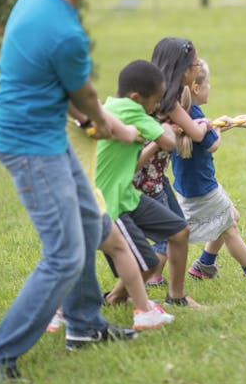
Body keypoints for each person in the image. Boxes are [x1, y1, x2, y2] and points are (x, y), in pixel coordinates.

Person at [0, 0, 135, 384]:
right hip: (29, 144)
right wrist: (111, 126)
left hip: (40, 133)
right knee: (65, 253)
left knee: (88, 224)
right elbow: (84, 96)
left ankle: (84, 326)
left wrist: (87, 118)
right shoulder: (67, 33)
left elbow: (57, 85)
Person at [96, 59, 202, 308]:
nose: (157, 106)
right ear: (136, 97)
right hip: (109, 202)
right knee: (148, 263)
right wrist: (164, 127)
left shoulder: (112, 105)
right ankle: (116, 300)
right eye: (155, 101)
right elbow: (168, 143)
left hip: (127, 194)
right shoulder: (131, 111)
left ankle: (176, 297)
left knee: (179, 231)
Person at [60, 106, 174, 331]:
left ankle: (142, 311)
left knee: (91, 254)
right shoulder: (79, 106)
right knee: (64, 261)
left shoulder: (70, 110)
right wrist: (140, 131)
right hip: (86, 198)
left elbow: (112, 128)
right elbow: (123, 133)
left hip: (86, 196)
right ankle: (59, 311)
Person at [131, 38, 213, 288]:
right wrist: (207, 124)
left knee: (179, 230)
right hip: (145, 178)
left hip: (153, 175)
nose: (198, 69)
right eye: (196, 64)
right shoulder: (170, 99)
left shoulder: (158, 94)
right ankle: (131, 289)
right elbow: (197, 135)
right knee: (172, 235)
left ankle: (173, 294)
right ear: (184, 69)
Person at [171, 59, 246, 279]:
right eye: (208, 83)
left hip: (193, 184)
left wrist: (228, 124)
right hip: (201, 187)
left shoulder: (184, 111)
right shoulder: (192, 113)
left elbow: (204, 135)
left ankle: (204, 265)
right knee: (229, 225)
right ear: (196, 88)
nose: (210, 87)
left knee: (231, 216)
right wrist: (220, 128)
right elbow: (212, 144)